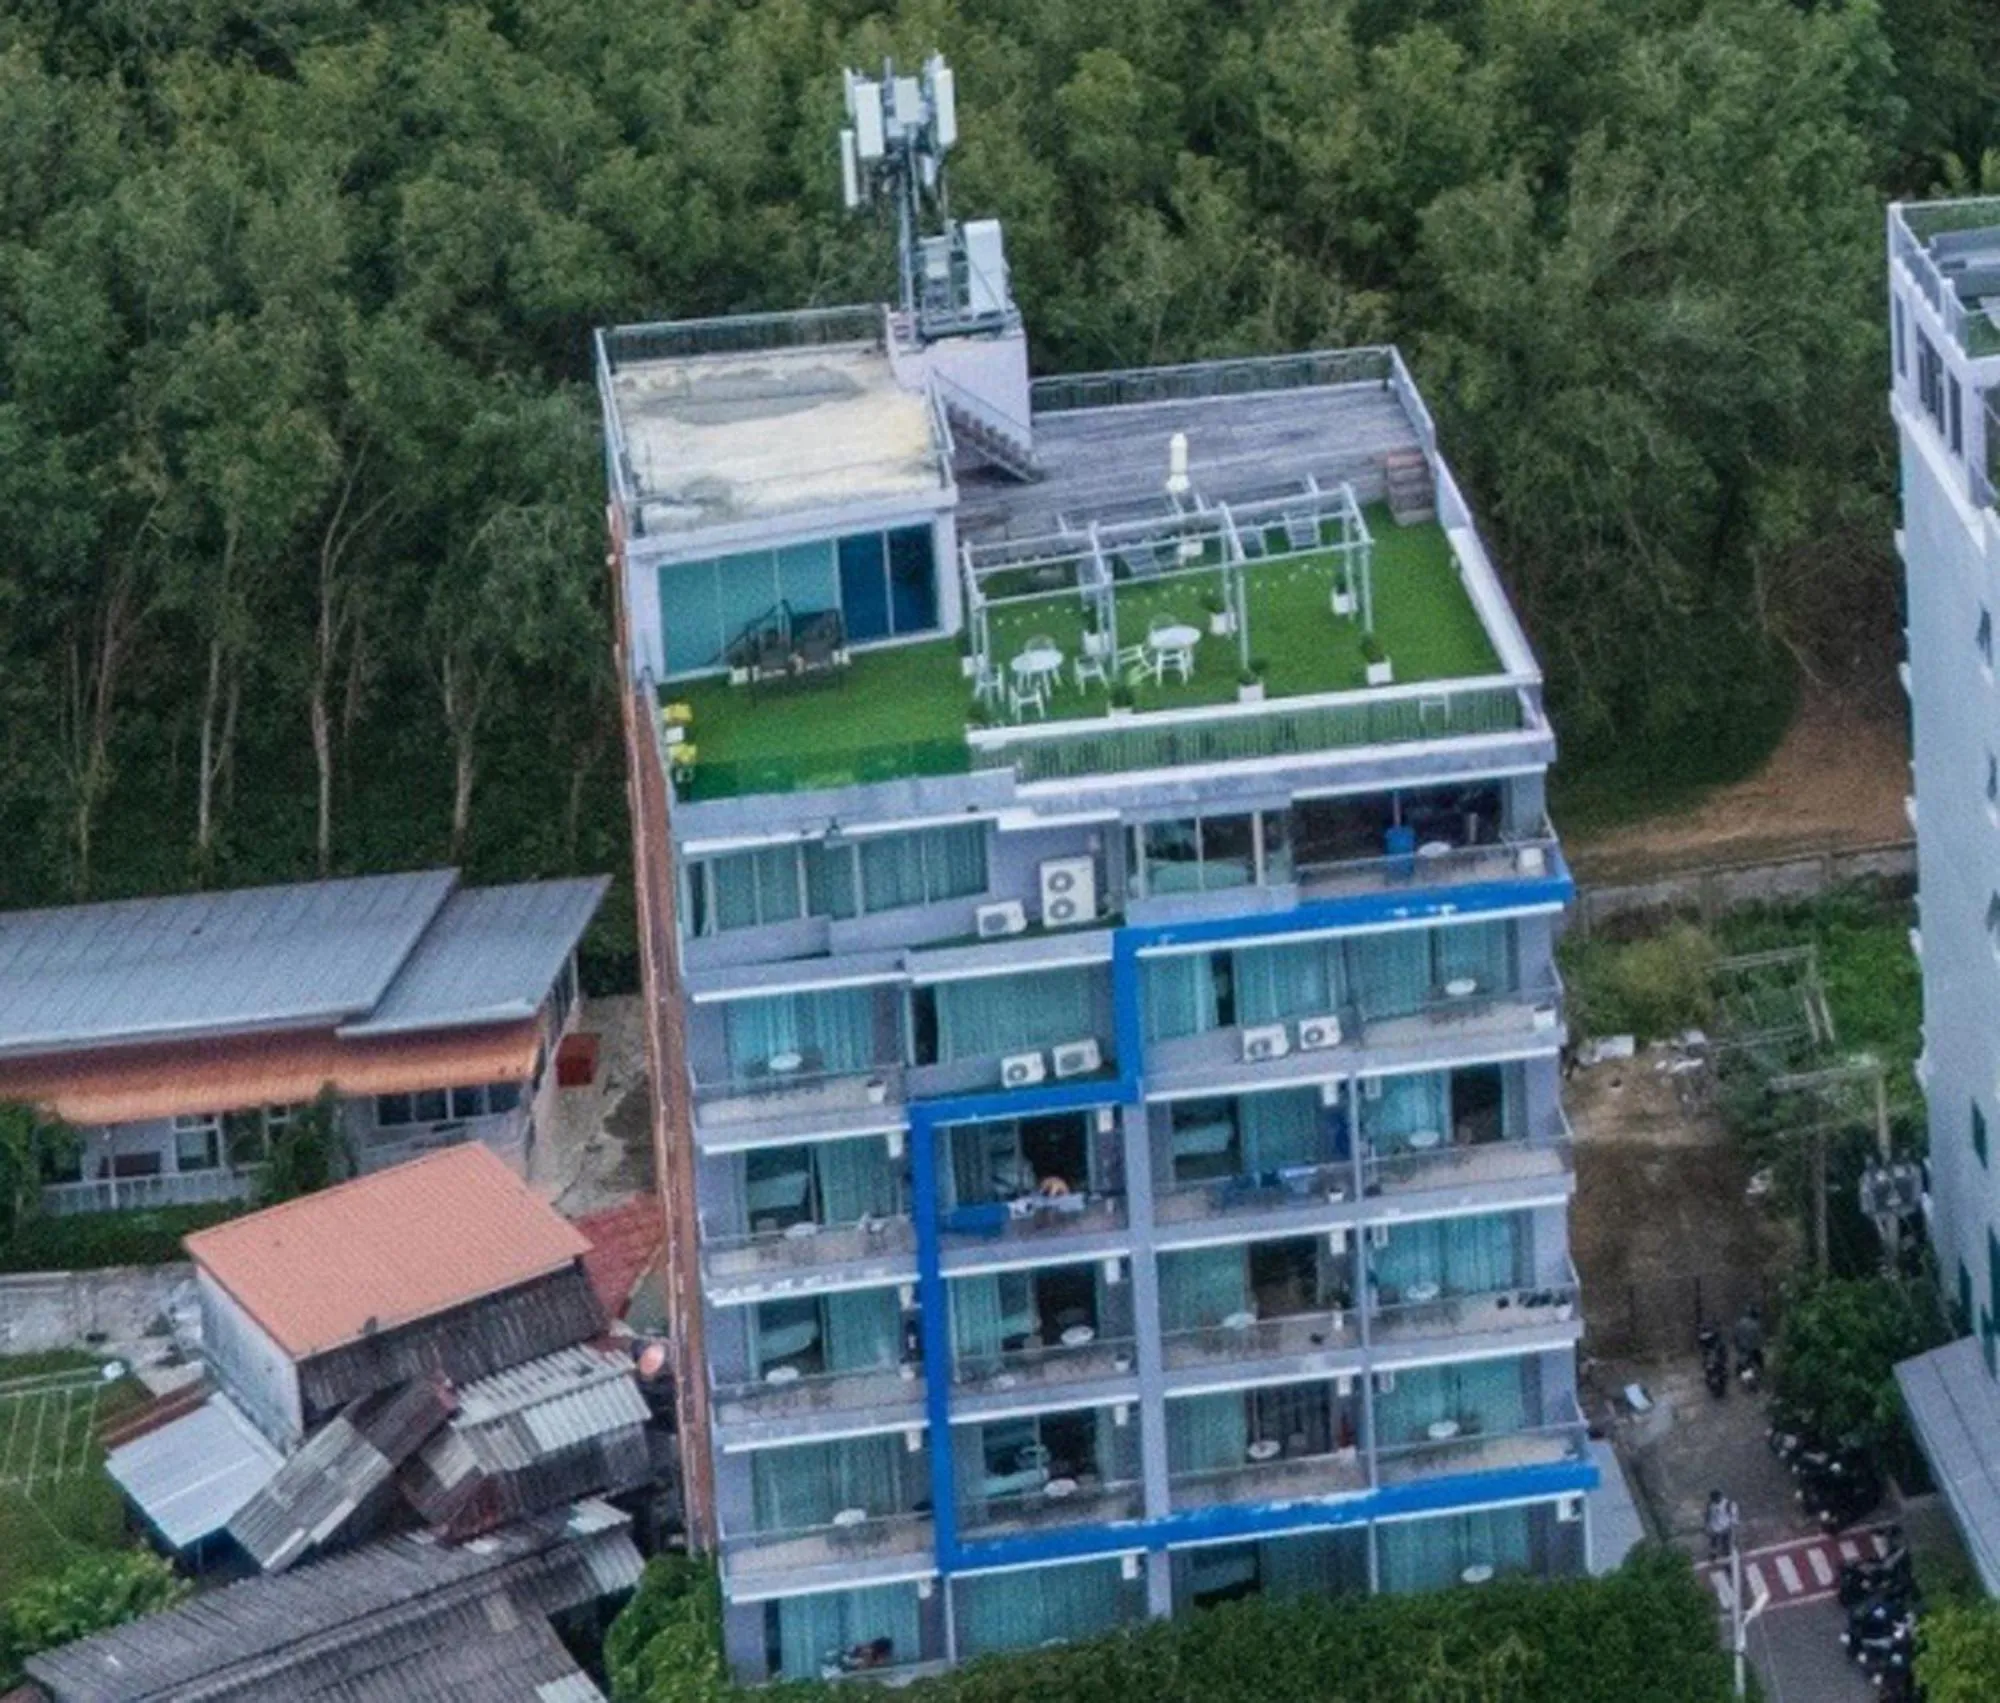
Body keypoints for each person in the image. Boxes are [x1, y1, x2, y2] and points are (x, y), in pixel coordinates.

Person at [1705, 1489, 1738, 1560]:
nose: (1715, 1501)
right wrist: (1707, 1526)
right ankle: (1714, 1556)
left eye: (1716, 1499)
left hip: (1726, 1528)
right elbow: (1708, 1515)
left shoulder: (1728, 1504)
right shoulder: (1710, 1505)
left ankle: (1728, 1560)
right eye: (1713, 1499)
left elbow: (1733, 1516)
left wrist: (1732, 1526)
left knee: (1726, 1545)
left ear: (1720, 1497)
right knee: (1713, 1544)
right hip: (1715, 1529)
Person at [1733, 1306, 1764, 1375]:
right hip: (1753, 1349)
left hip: (1742, 1348)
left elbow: (1735, 1335)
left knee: (1739, 1362)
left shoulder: (1741, 1322)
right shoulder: (1756, 1324)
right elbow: (1759, 1338)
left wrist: (1737, 1345)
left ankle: (1739, 1374)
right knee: (1760, 1363)